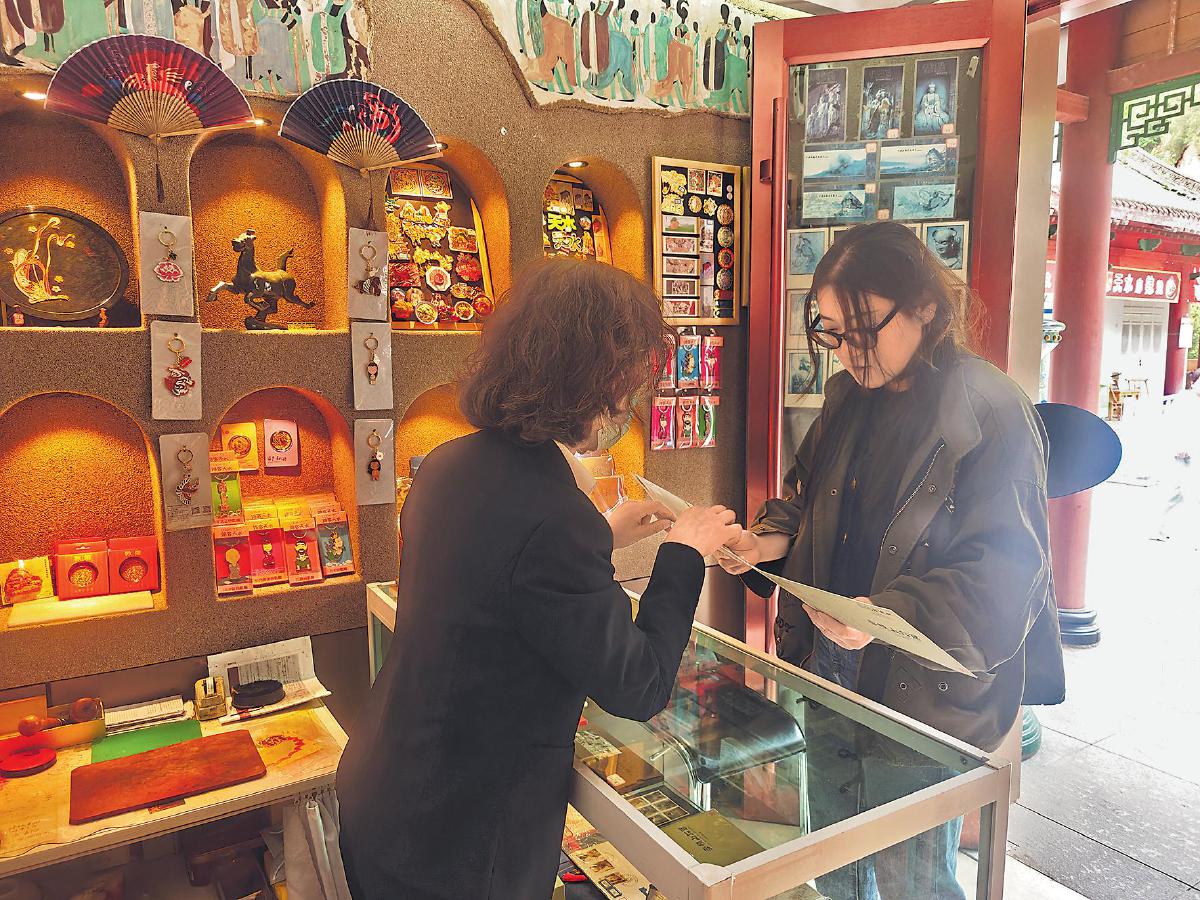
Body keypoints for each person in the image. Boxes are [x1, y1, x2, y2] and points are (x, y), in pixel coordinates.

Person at [337, 258, 742, 900]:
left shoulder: (447, 463)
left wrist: (601, 534)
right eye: (628, 379)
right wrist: (684, 554)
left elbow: (498, 575)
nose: (630, 399)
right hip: (458, 846)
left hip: (384, 792)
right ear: (592, 380)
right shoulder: (556, 518)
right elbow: (639, 685)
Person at [719, 222, 1064, 900]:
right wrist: (762, 543)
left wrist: (887, 615)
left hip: (921, 687)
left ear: (925, 307)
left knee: (915, 881)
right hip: (831, 663)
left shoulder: (990, 409)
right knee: (835, 861)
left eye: (863, 331)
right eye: (832, 334)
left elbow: (1008, 571)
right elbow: (808, 502)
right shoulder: (850, 398)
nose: (848, 354)